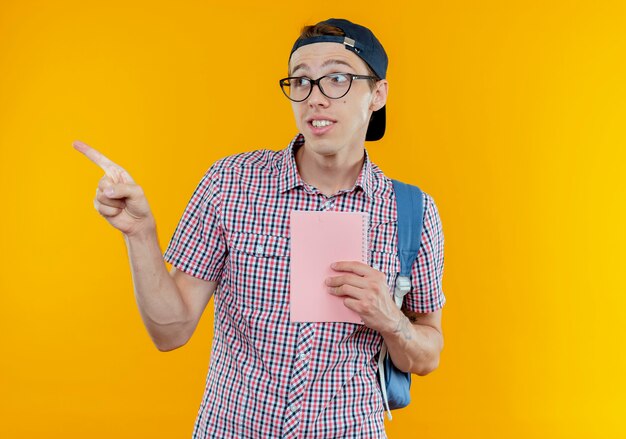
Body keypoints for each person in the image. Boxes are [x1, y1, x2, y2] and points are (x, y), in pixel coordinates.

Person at [75, 18, 445, 439]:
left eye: (337, 79)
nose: (315, 98)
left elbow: (428, 353)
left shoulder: (412, 210)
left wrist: (391, 319)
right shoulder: (232, 183)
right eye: (301, 82)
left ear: (377, 94)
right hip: (231, 428)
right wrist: (139, 234)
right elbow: (170, 331)